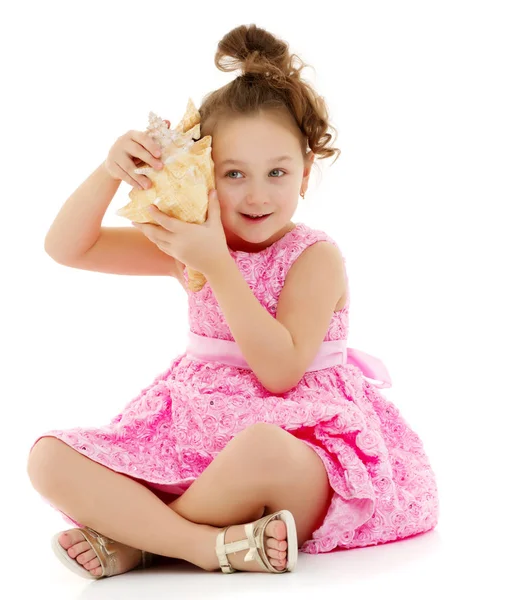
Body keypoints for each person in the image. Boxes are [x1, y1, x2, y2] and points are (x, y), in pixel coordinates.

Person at [27, 23, 439, 579]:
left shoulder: (313, 256)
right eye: (234, 174)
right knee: (48, 457)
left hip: (296, 450)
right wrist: (110, 171)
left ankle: (141, 542)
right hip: (196, 436)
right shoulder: (190, 242)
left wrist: (217, 263)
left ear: (306, 173)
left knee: (260, 448)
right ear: (204, 174)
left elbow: (279, 372)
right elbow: (69, 248)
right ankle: (202, 544)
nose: (257, 194)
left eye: (277, 173)